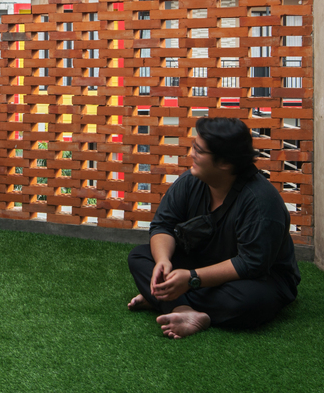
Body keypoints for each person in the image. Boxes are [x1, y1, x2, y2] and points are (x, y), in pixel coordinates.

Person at [126, 117, 300, 338]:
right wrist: (163, 261)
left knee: (251, 301)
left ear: (225, 162)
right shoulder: (189, 181)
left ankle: (163, 300)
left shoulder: (261, 201)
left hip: (258, 278)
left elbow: (251, 264)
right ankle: (184, 310)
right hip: (202, 265)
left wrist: (191, 279)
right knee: (140, 257)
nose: (192, 154)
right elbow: (163, 225)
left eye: (199, 150)